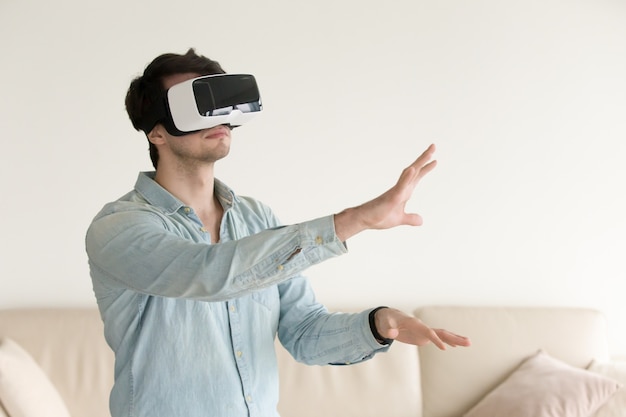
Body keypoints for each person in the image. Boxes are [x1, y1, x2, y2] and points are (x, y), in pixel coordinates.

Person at [85, 48, 470, 417]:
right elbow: (210, 274)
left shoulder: (256, 219)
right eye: (196, 105)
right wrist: (356, 219)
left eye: (219, 101)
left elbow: (303, 331)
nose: (216, 116)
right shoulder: (120, 228)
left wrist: (377, 325)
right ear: (157, 133)